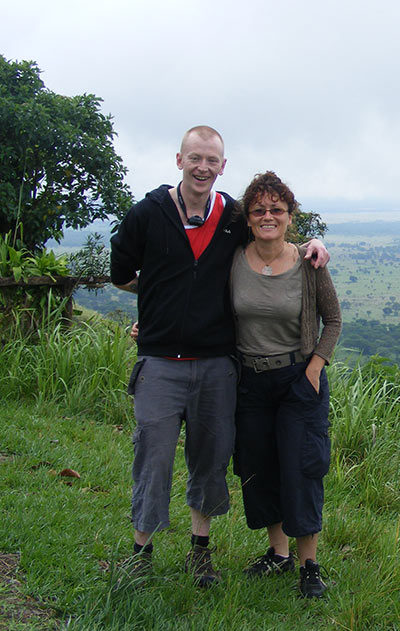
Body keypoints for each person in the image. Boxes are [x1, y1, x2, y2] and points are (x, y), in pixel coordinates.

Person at [109, 126, 329, 587]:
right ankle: (140, 554)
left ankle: (200, 552)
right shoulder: (148, 213)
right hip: (163, 361)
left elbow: (272, 231)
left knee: (210, 461)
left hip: (216, 364)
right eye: (195, 158)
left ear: (222, 166)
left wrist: (313, 244)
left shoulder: (230, 214)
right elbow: (122, 273)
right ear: (179, 160)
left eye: (212, 160)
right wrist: (156, 309)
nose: (203, 167)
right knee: (153, 457)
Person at [230, 171, 341, 598]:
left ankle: (309, 565)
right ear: (249, 217)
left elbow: (332, 320)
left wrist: (314, 367)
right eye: (259, 209)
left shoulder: (309, 263)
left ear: (290, 216)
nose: (268, 216)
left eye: (277, 209)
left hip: (299, 379)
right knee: (259, 467)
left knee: (302, 467)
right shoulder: (235, 259)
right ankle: (279, 554)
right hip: (250, 380)